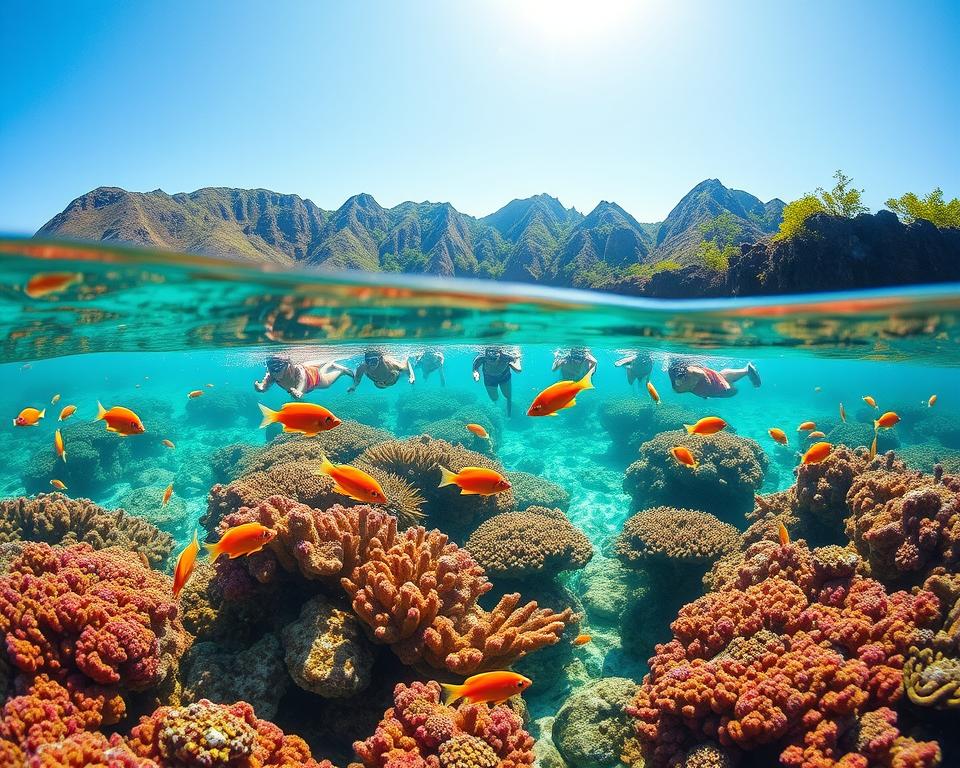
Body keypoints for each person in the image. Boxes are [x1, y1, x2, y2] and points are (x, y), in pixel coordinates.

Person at [255, 355, 354, 399]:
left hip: (312, 379)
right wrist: (261, 387)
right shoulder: (272, 373)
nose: (275, 373)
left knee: (327, 383)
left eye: (277, 370)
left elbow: (302, 380)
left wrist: (299, 391)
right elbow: (266, 383)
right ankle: (327, 364)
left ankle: (341, 371)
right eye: (271, 369)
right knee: (316, 367)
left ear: (286, 366)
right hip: (306, 370)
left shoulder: (298, 371)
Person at [667, 357, 761, 399]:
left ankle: (746, 371)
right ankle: (746, 370)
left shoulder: (684, 380)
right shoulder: (679, 386)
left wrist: (706, 390)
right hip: (705, 382)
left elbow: (701, 376)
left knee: (728, 387)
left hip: (709, 384)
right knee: (721, 376)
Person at [472, 347, 521, 416]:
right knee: (494, 398)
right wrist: (476, 374)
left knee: (508, 396)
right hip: (489, 378)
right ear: (486, 355)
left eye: (494, 359)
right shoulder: (481, 357)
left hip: (504, 376)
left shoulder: (505, 357)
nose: (491, 362)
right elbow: (475, 368)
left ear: (499, 355)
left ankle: (509, 414)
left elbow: (518, 369)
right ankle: (499, 409)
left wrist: (516, 360)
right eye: (489, 359)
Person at [348, 349, 415, 392]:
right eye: (368, 361)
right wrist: (354, 386)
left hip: (393, 376)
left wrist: (411, 376)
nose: (371, 364)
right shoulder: (363, 367)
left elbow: (406, 363)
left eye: (374, 361)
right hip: (387, 379)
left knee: (401, 372)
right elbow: (357, 379)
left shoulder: (389, 364)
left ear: (380, 359)